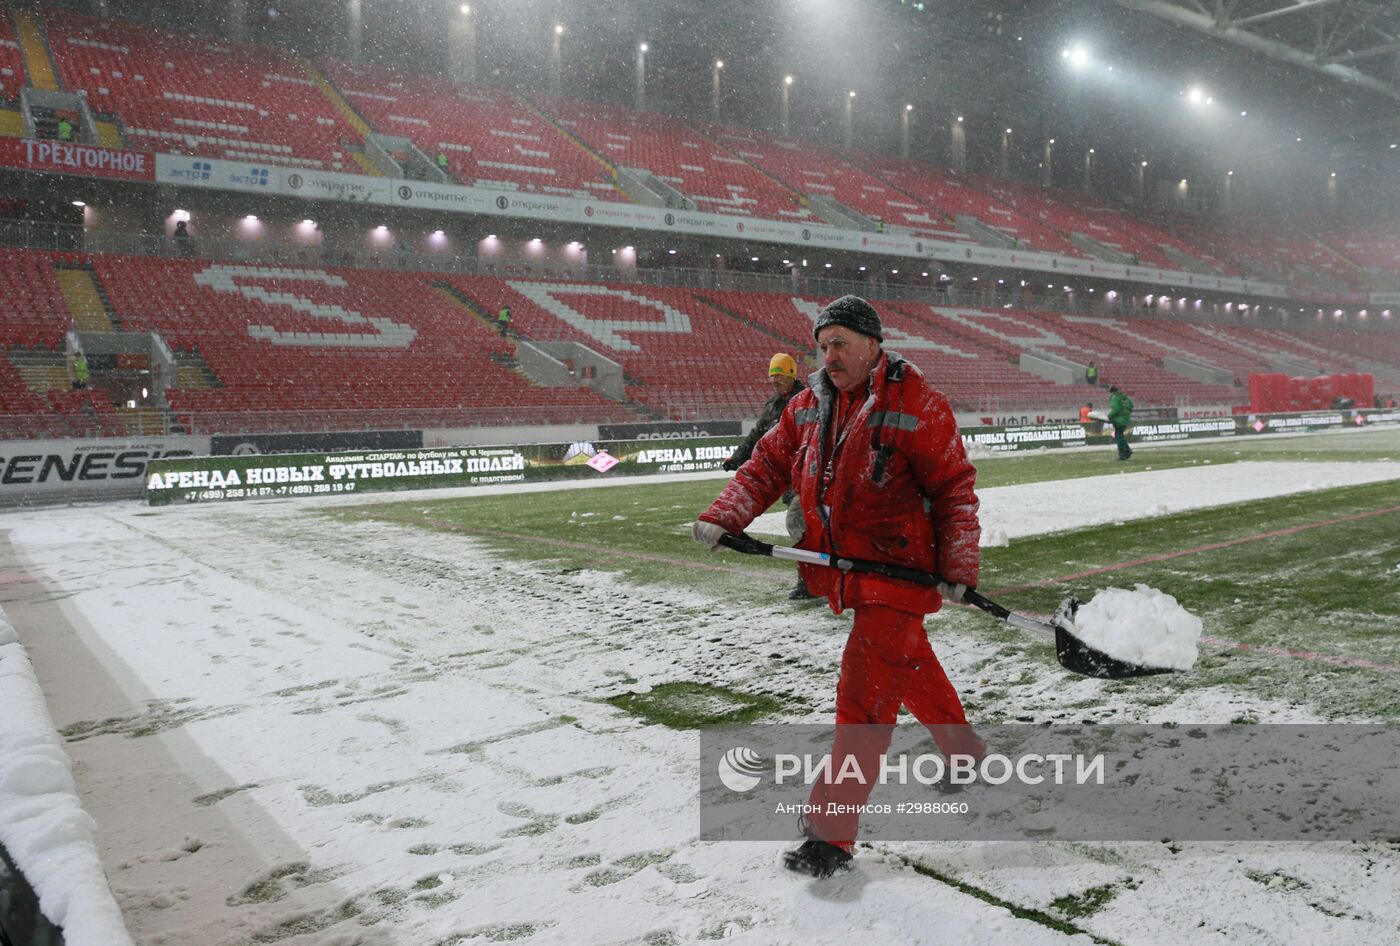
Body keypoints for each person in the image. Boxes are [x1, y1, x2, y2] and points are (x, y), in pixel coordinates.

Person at [692, 295, 983, 878]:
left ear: (873, 344)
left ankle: (831, 834)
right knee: (910, 665)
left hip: (899, 572)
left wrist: (957, 567)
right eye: (824, 346)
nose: (831, 356)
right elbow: (768, 464)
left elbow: (953, 489)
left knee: (863, 699)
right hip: (846, 569)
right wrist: (727, 514)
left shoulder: (918, 403)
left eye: (842, 343)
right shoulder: (806, 405)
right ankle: (966, 753)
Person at [723, 352, 814, 600]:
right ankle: (826, 575)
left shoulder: (807, 401)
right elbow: (757, 436)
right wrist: (737, 458)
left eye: (780, 375)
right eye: (772, 376)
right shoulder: (773, 406)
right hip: (789, 480)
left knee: (797, 523)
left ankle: (813, 580)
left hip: (808, 476)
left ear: (791, 375)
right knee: (811, 528)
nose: (774, 380)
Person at [1108, 384, 1133, 460]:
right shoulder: (1125, 398)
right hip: (1126, 419)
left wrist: (1109, 416)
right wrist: (1126, 414)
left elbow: (1116, 408)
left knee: (1118, 437)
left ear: (1112, 392)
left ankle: (1123, 454)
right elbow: (1131, 407)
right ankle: (1127, 450)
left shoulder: (1115, 397)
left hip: (1118, 420)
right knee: (1121, 436)